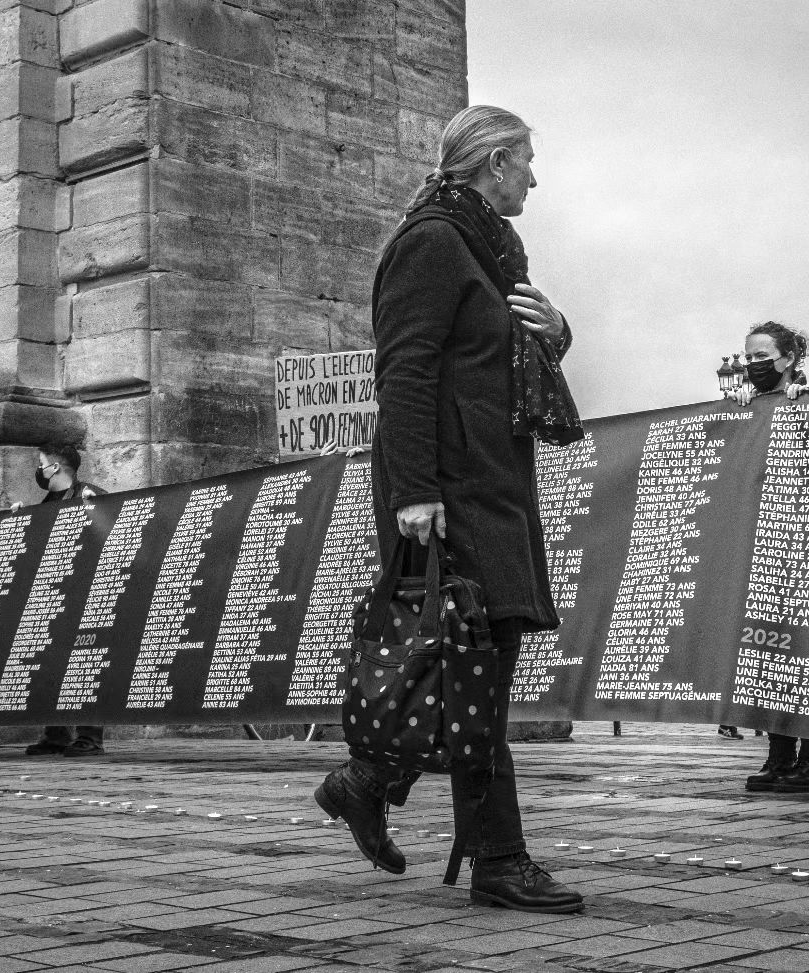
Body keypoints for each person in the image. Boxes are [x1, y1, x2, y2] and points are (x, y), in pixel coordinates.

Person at [313, 105, 585, 913]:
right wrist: (416, 493)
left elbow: (497, 359)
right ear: (494, 162)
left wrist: (558, 329)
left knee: (471, 666)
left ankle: (365, 781)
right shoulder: (430, 242)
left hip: (490, 484)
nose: (534, 178)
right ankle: (499, 858)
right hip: (450, 493)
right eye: (526, 162)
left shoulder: (490, 249)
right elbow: (403, 374)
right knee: (479, 669)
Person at [732, 321, 809, 793]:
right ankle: (779, 757)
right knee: (770, 661)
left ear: (789, 357)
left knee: (806, 659)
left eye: (762, 356)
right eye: (747, 357)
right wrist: (739, 414)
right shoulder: (750, 408)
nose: (753, 364)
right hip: (769, 547)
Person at [23, 442, 109, 758]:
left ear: (55, 467)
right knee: (49, 663)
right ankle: (56, 734)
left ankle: (89, 737)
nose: (39, 469)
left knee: (84, 664)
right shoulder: (48, 502)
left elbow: (116, 533)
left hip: (86, 595)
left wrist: (96, 511)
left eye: (41, 462)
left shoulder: (91, 494)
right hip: (55, 594)